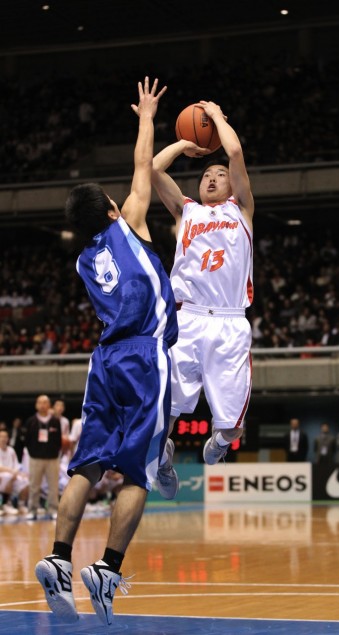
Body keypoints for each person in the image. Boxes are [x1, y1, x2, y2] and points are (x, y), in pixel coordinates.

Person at [35, 77, 177, 626]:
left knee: (87, 465)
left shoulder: (83, 260)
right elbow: (143, 165)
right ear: (114, 209)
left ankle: (58, 558)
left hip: (103, 362)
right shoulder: (131, 225)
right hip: (144, 356)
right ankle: (108, 568)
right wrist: (147, 116)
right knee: (139, 473)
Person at [151, 99, 254, 499]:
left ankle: (220, 442)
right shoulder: (186, 212)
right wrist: (184, 144)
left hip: (229, 321)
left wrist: (219, 118)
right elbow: (153, 169)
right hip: (187, 319)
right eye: (207, 174)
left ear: (232, 184)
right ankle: (163, 457)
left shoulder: (242, 210)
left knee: (232, 427)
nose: (212, 178)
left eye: (220, 175)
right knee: (163, 414)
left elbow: (235, 151)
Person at [23, 394, 62, 520]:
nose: (42, 405)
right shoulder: (31, 421)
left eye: (45, 402)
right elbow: (27, 440)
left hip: (52, 459)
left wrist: (54, 452)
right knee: (34, 486)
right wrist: (33, 452)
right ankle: (32, 510)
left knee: (53, 486)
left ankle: (53, 509)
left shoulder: (55, 421)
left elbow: (58, 440)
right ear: (36, 405)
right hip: (36, 458)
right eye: (40, 402)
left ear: (49, 405)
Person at [0, 429, 29, 515]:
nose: (3, 439)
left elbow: (16, 465)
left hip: (13, 474)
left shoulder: (11, 450)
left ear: (8, 439)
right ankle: (5, 504)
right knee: (8, 477)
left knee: (26, 481)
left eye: (5, 437)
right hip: (3, 475)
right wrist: (12, 472)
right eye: (1, 436)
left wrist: (16, 473)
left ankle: (21, 505)